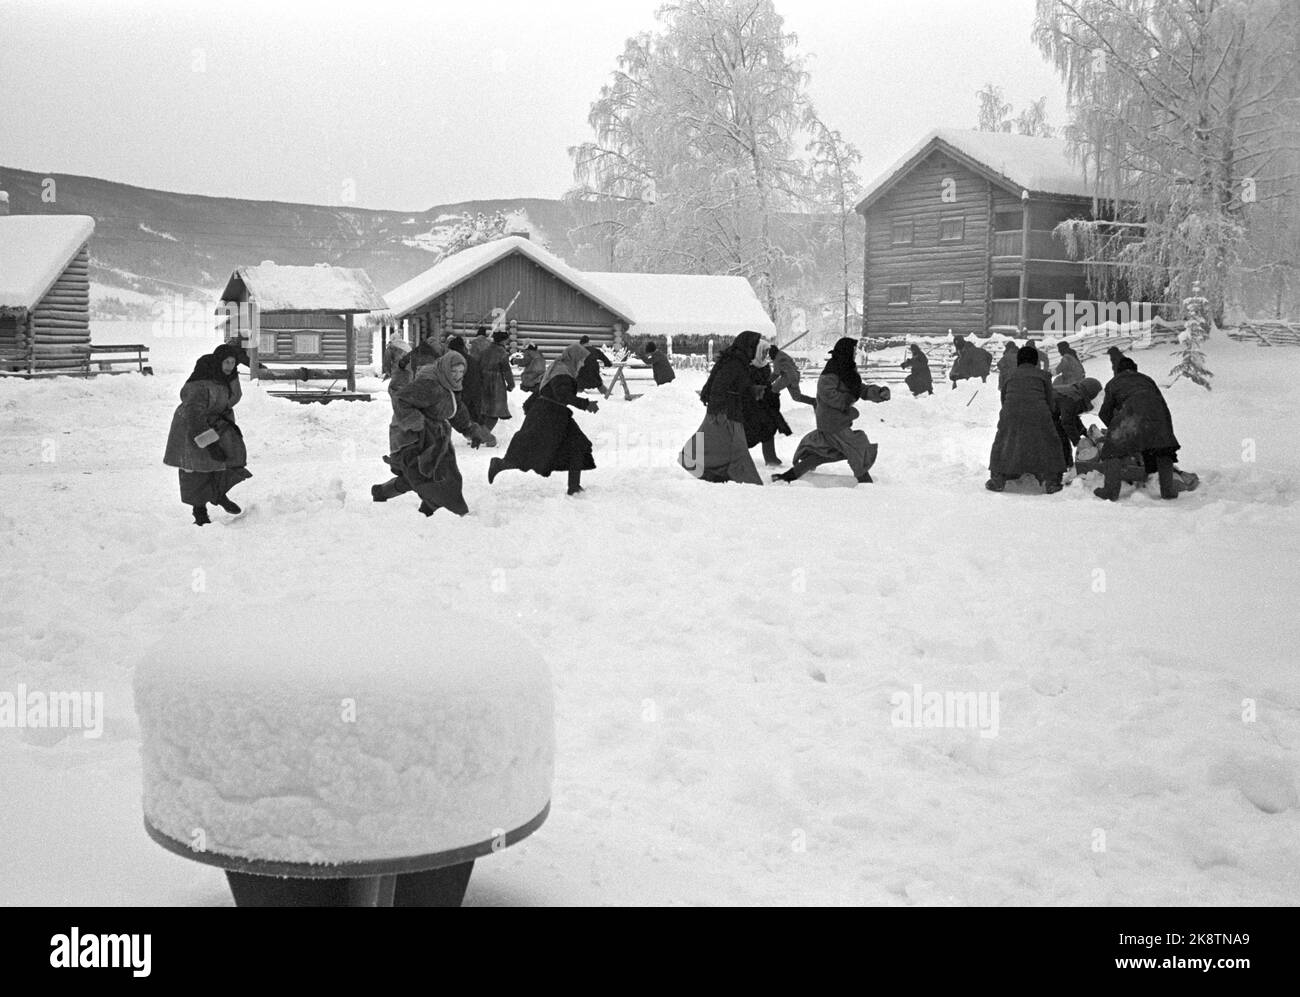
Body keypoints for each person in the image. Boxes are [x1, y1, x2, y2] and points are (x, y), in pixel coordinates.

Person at [371, 352, 495, 516]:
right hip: (414, 438)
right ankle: (443, 513)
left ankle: (383, 493)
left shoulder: (450, 386)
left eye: (460, 371)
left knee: (442, 477)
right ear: (445, 369)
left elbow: (456, 412)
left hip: (436, 438)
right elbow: (400, 399)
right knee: (425, 477)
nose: (457, 376)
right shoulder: (430, 385)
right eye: (454, 371)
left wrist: (471, 430)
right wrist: (416, 422)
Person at [773, 337, 889, 484]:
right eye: (853, 351)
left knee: (828, 453)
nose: (854, 354)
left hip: (838, 420)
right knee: (855, 447)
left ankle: (789, 476)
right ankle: (866, 482)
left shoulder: (847, 370)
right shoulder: (831, 372)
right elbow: (828, 394)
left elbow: (859, 388)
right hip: (832, 421)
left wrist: (878, 393)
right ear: (845, 352)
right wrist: (847, 400)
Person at [489, 343, 598, 496]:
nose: (582, 363)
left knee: (577, 445)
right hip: (548, 417)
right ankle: (499, 464)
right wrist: (585, 404)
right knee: (534, 451)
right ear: (574, 358)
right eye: (581, 360)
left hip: (552, 413)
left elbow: (546, 390)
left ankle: (574, 487)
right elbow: (562, 395)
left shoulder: (562, 368)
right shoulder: (562, 372)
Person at [163, 343, 252, 525]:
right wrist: (209, 443)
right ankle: (200, 513)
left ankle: (218, 494)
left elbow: (230, 399)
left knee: (225, 461)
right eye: (226, 362)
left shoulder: (222, 379)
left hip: (212, 426)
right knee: (196, 471)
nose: (229, 367)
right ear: (218, 362)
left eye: (233, 363)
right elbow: (195, 415)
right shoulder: (200, 385)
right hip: (192, 430)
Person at [678, 330, 765, 485]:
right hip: (725, 412)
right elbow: (719, 385)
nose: (755, 349)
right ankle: (750, 483)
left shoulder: (739, 361)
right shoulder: (734, 363)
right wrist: (717, 413)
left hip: (727, 411)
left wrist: (753, 390)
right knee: (735, 449)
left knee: (719, 446)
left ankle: (713, 473)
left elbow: (738, 386)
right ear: (748, 346)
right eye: (754, 346)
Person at [1094, 357, 1181, 500]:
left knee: (1112, 451)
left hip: (1131, 414)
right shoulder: (1147, 379)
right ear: (1135, 368)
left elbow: (1105, 413)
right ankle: (1168, 491)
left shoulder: (1114, 382)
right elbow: (1160, 402)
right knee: (1163, 449)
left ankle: (1110, 492)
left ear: (1117, 371)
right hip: (1158, 415)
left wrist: (1114, 431)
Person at [986, 345, 1066, 494]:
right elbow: (1050, 402)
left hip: (1011, 412)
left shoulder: (1009, 375)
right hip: (1039, 412)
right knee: (1049, 442)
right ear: (1035, 361)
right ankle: (1052, 481)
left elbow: (1004, 399)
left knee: (1004, 441)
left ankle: (998, 478)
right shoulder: (1044, 376)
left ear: (1018, 360)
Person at [1052, 377, 1103, 465]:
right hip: (1041, 412)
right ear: (1090, 395)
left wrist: (1083, 431)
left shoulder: (1076, 396)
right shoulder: (1072, 399)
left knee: (1062, 435)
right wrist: (1078, 442)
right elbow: (1067, 422)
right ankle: (1065, 465)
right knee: (1061, 438)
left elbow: (1072, 416)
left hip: (1051, 412)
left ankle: (1067, 464)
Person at [478, 329, 515, 434]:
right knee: (495, 411)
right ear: (503, 340)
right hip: (496, 384)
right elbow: (507, 370)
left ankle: (478, 433)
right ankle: (483, 435)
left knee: (484, 410)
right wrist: (511, 384)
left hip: (483, 382)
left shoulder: (485, 350)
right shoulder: (502, 352)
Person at [446, 335, 483, 425]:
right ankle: (481, 437)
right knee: (474, 420)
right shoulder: (471, 360)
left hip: (461, 395)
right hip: (474, 394)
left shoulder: (452, 360)